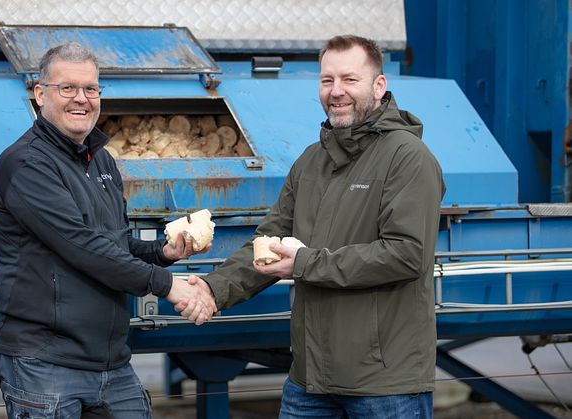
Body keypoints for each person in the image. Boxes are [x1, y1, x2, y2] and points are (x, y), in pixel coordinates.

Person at [179, 34, 445, 418]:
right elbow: (267, 243)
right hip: (309, 382)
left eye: (349, 80)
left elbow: (406, 256)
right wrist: (212, 288)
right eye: (327, 80)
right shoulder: (310, 162)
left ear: (379, 85)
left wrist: (304, 263)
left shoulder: (408, 159)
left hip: (385, 385)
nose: (336, 91)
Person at [0, 42, 215, 419]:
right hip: (45, 362)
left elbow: (115, 241)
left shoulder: (101, 159)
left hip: (108, 361)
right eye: (68, 88)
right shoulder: (26, 165)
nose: (82, 99)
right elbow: (82, 246)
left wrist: (164, 252)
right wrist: (167, 284)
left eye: (91, 89)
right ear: (40, 94)